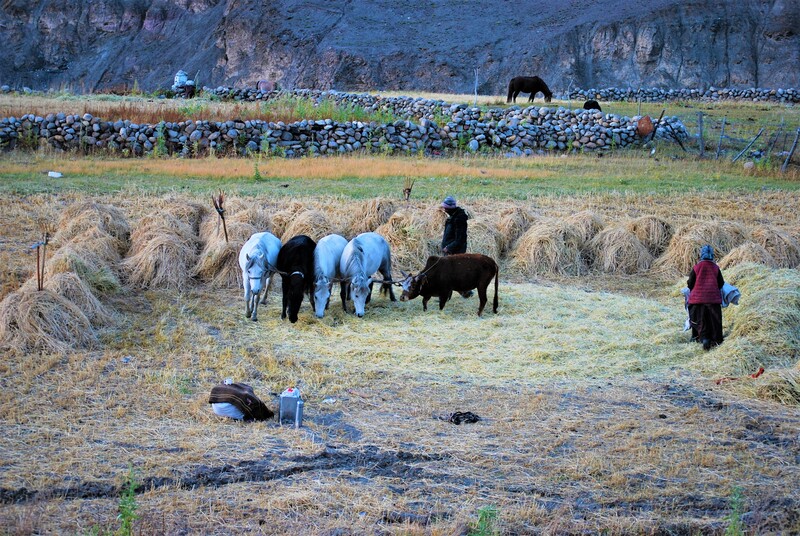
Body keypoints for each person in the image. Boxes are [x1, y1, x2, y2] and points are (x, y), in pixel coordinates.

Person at [687, 244, 725, 350]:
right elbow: (721, 283)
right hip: (713, 300)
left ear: (701, 255)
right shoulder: (715, 268)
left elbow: (690, 284)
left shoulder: (696, 267)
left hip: (697, 300)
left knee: (698, 319)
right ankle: (715, 339)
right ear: (712, 256)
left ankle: (700, 338)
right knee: (714, 321)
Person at [440, 195, 472, 297]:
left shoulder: (459, 219)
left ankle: (448, 294)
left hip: (455, 251)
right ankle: (466, 292)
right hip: (449, 250)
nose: (444, 209)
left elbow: (460, 239)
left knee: (450, 274)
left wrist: (449, 247)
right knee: (453, 274)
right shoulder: (452, 217)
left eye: (446, 207)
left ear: (451, 207)